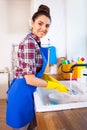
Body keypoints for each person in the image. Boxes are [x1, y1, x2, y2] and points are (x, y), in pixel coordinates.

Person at [6, 4, 68, 130]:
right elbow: (30, 79)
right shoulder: (29, 43)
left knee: (31, 126)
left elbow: (34, 71)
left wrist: (49, 79)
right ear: (32, 23)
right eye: (40, 23)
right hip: (22, 92)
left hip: (27, 91)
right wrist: (54, 85)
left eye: (47, 26)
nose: (43, 28)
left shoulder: (35, 42)